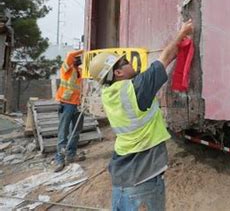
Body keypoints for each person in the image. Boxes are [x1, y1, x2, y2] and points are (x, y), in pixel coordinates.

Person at [89, 19, 193, 211]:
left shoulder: (109, 93)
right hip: (142, 179)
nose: (131, 63)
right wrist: (183, 32)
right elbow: (167, 57)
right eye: (125, 62)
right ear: (119, 72)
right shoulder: (136, 89)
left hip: (122, 178)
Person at [54, 49, 85, 172]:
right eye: (76, 58)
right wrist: (84, 50)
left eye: (79, 59)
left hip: (77, 105)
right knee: (63, 133)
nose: (78, 60)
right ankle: (59, 160)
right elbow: (70, 55)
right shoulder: (66, 69)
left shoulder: (81, 71)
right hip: (66, 104)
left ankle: (71, 155)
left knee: (75, 131)